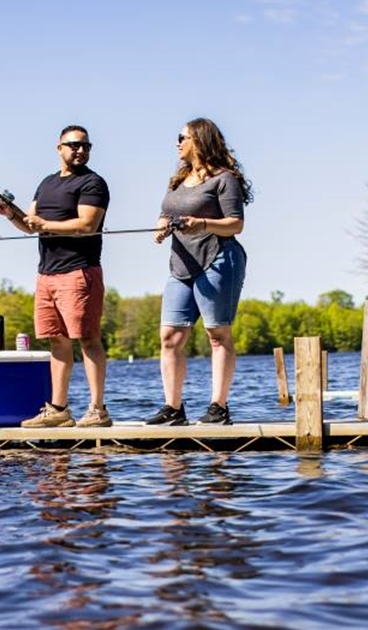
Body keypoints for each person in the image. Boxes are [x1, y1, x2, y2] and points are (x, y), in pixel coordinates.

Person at [0, 125, 112, 428]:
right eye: (73, 145)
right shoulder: (46, 184)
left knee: (87, 339)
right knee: (56, 342)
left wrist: (43, 223)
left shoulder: (92, 183)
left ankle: (98, 409)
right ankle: (58, 409)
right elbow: (30, 224)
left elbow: (86, 225)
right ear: (59, 148)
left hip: (79, 271)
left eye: (86, 145)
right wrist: (11, 214)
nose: (80, 150)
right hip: (46, 274)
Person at [145, 118, 253, 426]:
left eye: (183, 137)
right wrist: (161, 228)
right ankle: (173, 408)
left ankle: (218, 407)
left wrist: (202, 223)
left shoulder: (224, 179)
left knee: (217, 334)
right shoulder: (178, 180)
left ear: (200, 141)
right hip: (181, 266)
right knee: (170, 336)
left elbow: (236, 224)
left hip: (218, 259)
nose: (177, 143)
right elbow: (166, 213)